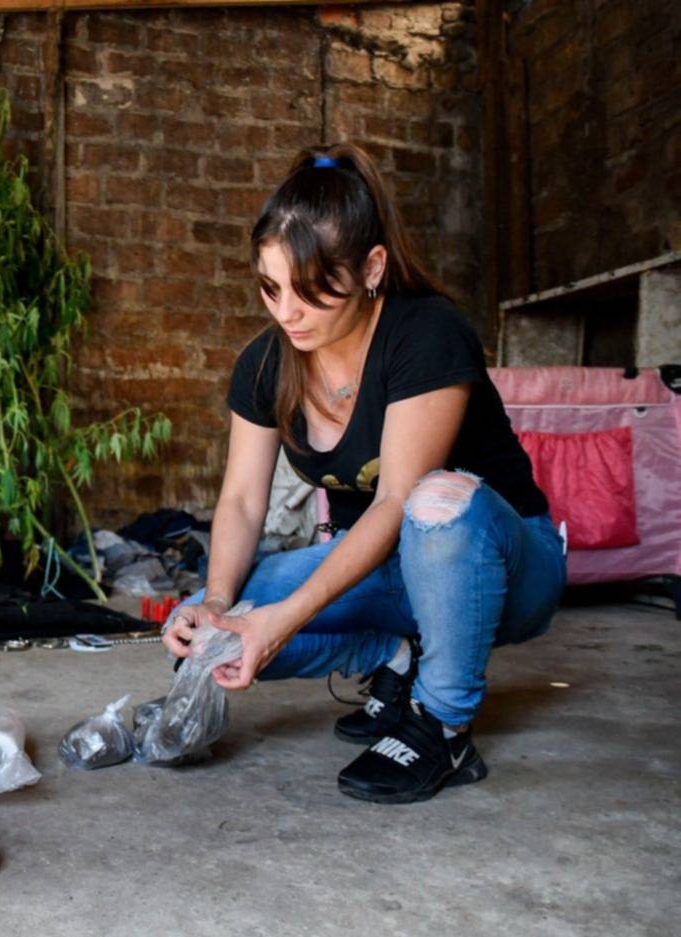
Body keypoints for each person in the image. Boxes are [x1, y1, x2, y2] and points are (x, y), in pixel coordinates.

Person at [160, 143, 564, 805]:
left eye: (311, 289)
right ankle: (392, 656)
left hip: (506, 567)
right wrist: (214, 601)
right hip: (386, 573)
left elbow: (397, 500)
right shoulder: (265, 364)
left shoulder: (426, 333)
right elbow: (237, 501)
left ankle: (442, 722)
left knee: (434, 502)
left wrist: (283, 619)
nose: (286, 311)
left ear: (372, 268)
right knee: (202, 635)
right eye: (270, 286)